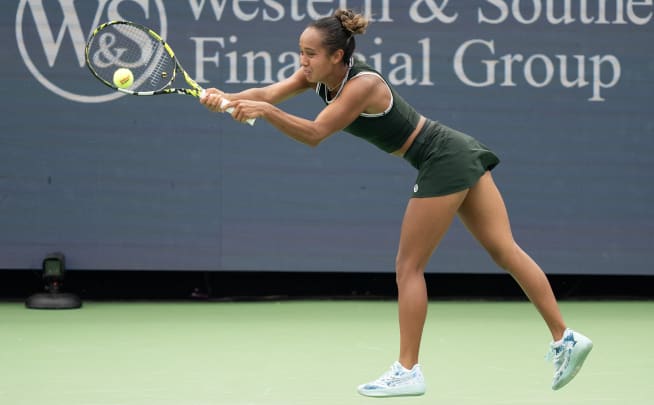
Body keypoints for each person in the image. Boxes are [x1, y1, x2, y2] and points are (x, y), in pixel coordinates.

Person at [200, 8, 593, 398]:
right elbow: (266, 94)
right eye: (300, 51)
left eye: (310, 53)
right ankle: (566, 337)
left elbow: (315, 132)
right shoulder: (315, 76)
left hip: (442, 156)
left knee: (409, 266)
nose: (302, 61)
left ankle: (408, 369)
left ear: (337, 56)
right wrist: (224, 97)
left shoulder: (362, 85)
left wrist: (265, 112)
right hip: (455, 150)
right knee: (504, 251)